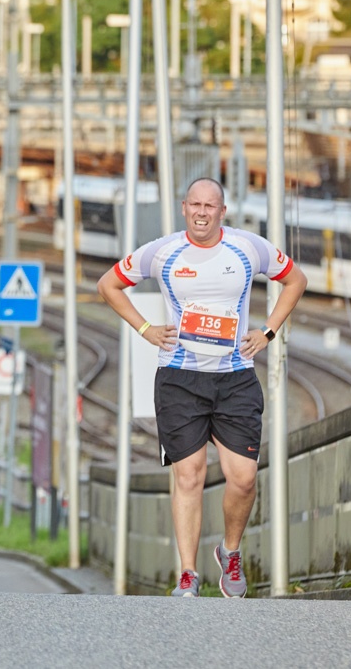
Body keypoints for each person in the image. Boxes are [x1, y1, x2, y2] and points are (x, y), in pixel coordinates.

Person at [97, 177, 308, 599]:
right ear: (184, 207)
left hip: (235, 377)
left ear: (222, 212)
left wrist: (268, 332)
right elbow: (108, 285)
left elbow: (296, 280)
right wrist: (145, 328)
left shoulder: (248, 247)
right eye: (195, 205)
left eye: (210, 206)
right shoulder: (162, 251)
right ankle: (188, 574)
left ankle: (230, 551)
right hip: (180, 378)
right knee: (189, 475)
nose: (201, 213)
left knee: (243, 478)